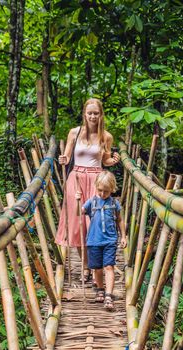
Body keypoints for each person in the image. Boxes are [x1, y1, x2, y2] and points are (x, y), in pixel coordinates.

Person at [56, 98, 120, 282]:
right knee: (78, 224)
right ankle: (85, 265)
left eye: (96, 113)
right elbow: (67, 157)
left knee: (93, 224)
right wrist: (63, 159)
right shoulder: (74, 133)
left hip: (96, 180)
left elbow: (105, 160)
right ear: (84, 114)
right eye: (89, 113)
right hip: (75, 179)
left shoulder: (106, 137)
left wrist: (112, 161)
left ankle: (94, 266)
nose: (92, 116)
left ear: (101, 115)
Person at [79, 171, 127, 311]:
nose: (102, 194)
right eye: (100, 190)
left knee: (109, 267)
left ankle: (108, 295)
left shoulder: (114, 204)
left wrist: (123, 236)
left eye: (106, 191)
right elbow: (79, 211)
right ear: (96, 187)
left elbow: (119, 219)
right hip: (93, 240)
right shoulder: (92, 201)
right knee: (97, 268)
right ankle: (100, 288)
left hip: (110, 240)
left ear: (112, 189)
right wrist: (78, 200)